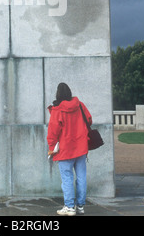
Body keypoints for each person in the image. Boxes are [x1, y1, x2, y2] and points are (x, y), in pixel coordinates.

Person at [47, 83, 92, 216]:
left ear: (58, 94)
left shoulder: (58, 110)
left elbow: (53, 132)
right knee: (81, 177)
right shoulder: (80, 105)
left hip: (65, 149)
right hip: (81, 147)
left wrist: (51, 148)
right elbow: (89, 120)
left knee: (67, 178)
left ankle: (69, 206)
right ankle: (81, 206)